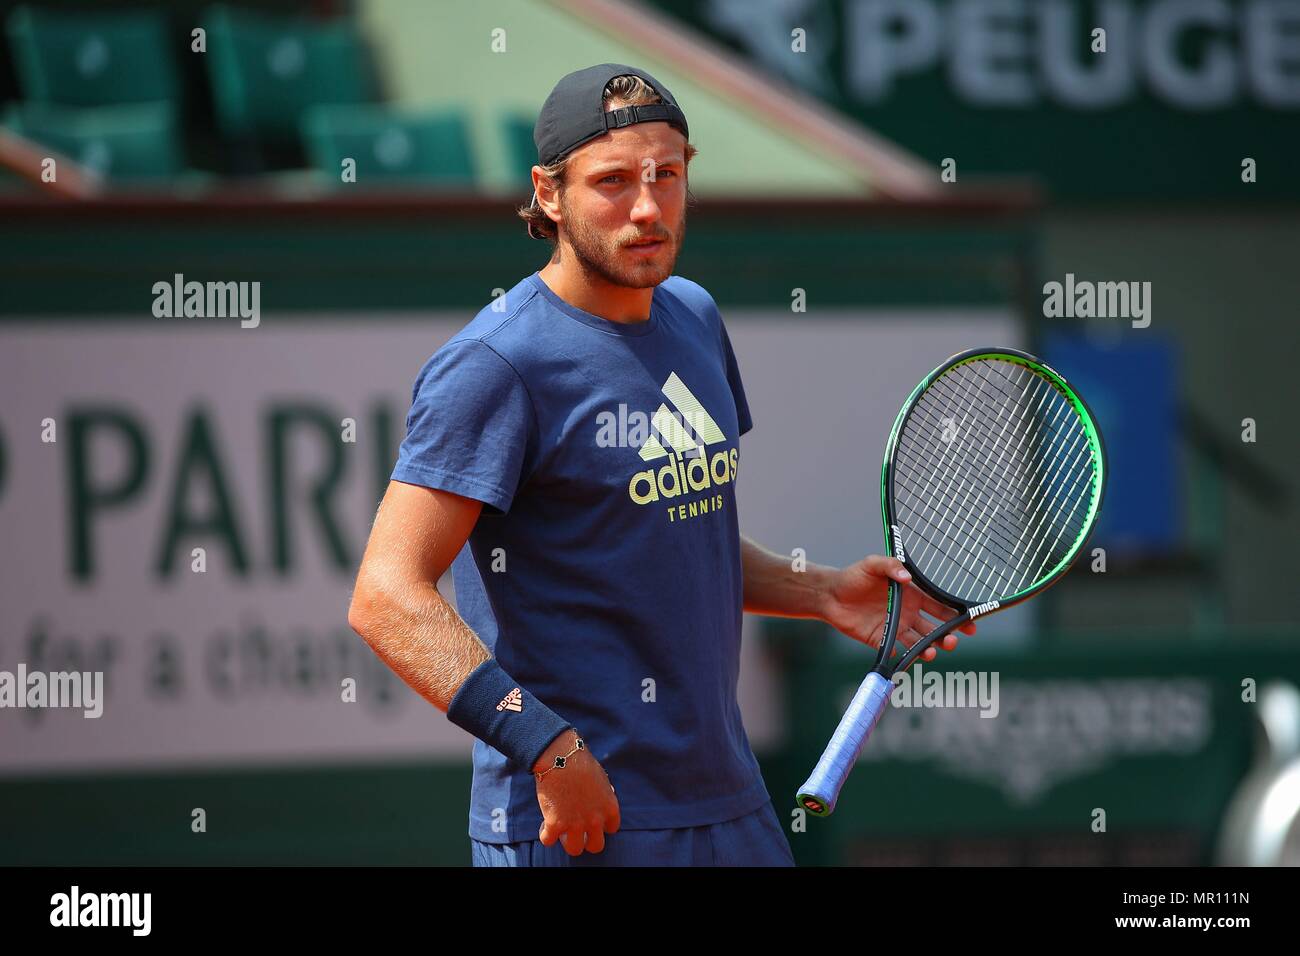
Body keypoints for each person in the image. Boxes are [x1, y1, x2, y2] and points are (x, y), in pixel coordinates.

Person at [347, 63, 974, 867]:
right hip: (579, 819)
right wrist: (547, 747)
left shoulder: (694, 316)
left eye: (666, 176)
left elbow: (667, 532)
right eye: (611, 182)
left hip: (729, 808)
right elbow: (386, 597)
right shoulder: (495, 364)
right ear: (547, 193)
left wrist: (820, 590)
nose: (646, 209)